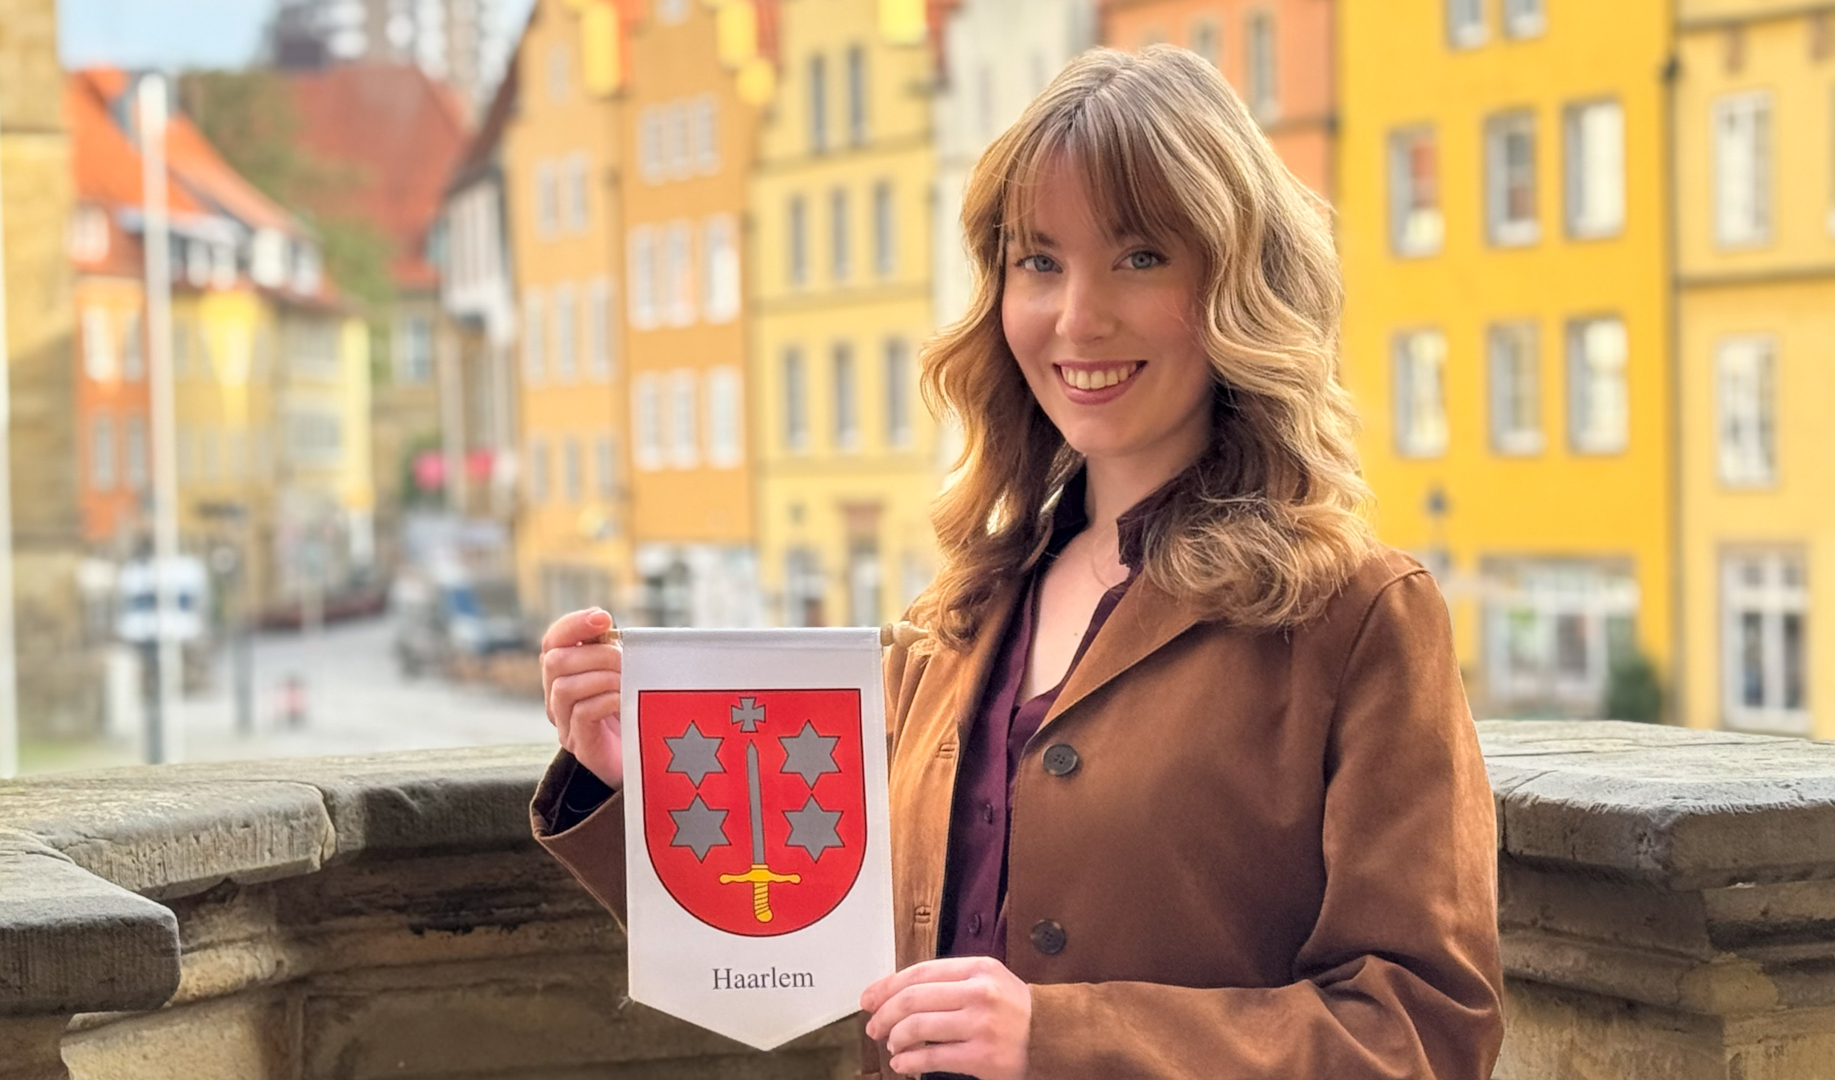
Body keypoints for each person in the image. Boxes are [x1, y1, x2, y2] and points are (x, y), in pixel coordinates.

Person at [532, 45, 1501, 1080]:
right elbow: (813, 952)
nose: (1078, 318)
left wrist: (1062, 1038)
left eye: (1140, 257)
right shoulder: (961, 616)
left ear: (1234, 281)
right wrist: (644, 783)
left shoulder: (1357, 617)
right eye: (1040, 262)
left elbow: (1424, 1031)